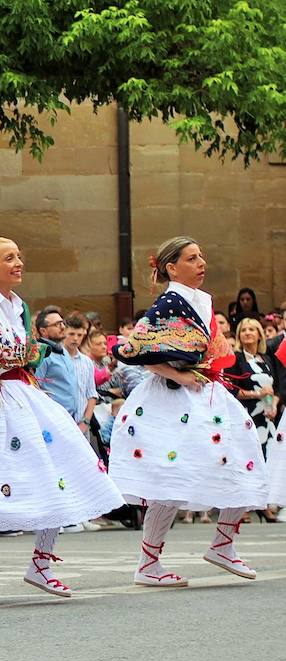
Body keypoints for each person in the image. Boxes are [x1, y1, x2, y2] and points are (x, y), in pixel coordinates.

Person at [0, 238, 123, 604]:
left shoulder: (16, 306)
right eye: (9, 258)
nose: (18, 262)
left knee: (57, 470)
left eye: (18, 256)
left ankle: (40, 564)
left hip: (20, 397)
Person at [109, 237, 267, 585]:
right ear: (172, 267)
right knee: (171, 477)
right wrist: (180, 375)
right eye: (192, 258)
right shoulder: (169, 302)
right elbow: (139, 351)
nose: (201, 263)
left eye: (201, 256)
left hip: (207, 394)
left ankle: (223, 543)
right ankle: (149, 563)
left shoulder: (200, 300)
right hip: (172, 398)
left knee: (242, 458)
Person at [228, 317, 277, 453]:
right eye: (243, 330)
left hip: (267, 416)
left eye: (251, 329)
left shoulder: (266, 358)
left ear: (259, 335)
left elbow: (274, 389)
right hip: (247, 416)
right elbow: (231, 391)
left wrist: (273, 405)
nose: (247, 332)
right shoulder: (235, 359)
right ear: (239, 336)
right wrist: (257, 394)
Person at [33, 306, 81, 421]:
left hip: (71, 418)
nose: (63, 327)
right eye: (57, 324)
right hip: (54, 419)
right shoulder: (41, 354)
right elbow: (35, 388)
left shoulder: (63, 350)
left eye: (62, 323)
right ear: (43, 331)